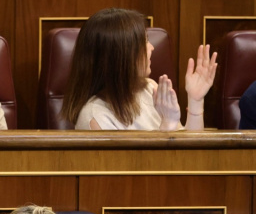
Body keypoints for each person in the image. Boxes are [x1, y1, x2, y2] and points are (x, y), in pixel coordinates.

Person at [62, 8, 217, 131]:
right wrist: (168, 126)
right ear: (120, 57)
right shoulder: (95, 116)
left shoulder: (150, 88)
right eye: (144, 42)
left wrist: (195, 101)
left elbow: (191, 153)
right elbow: (148, 163)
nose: (152, 47)